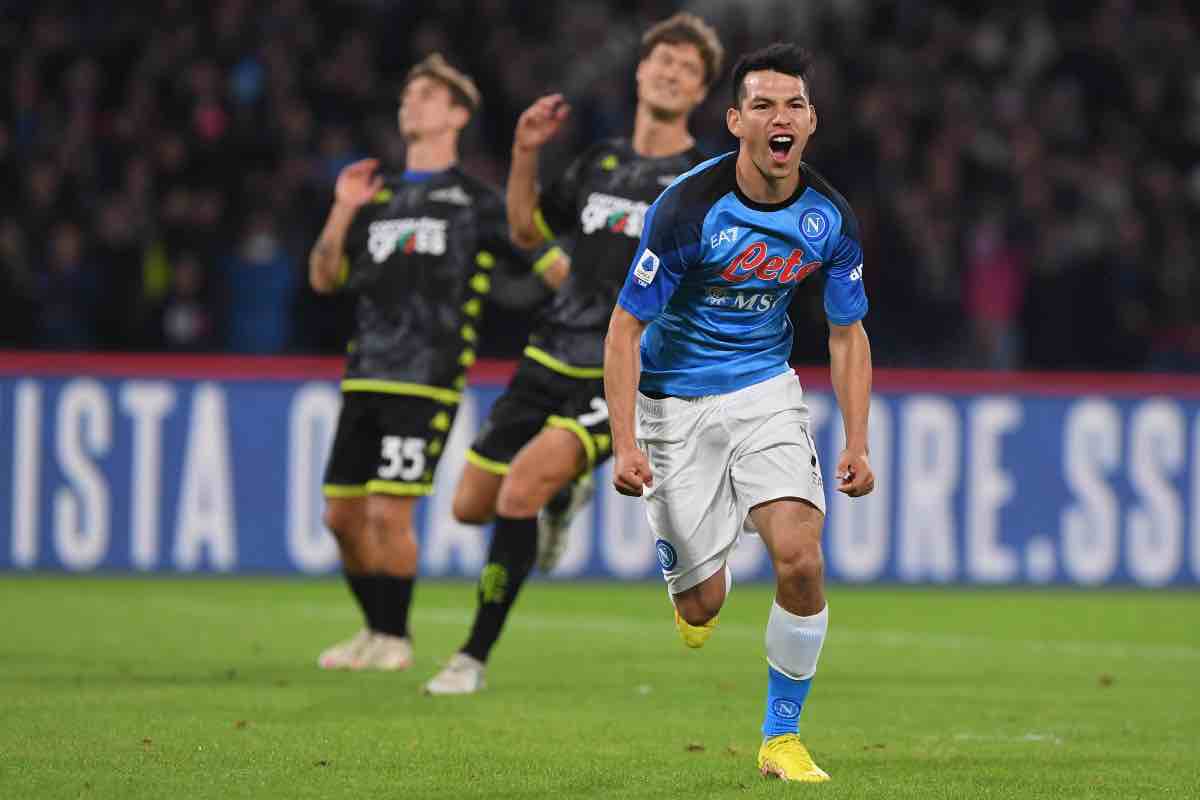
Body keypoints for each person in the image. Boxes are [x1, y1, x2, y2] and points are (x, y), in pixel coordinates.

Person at [423, 13, 724, 695]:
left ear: (700, 91)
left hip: (620, 369)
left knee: (520, 487)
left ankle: (470, 657)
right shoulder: (600, 162)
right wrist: (525, 152)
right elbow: (527, 230)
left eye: (687, 68)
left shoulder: (703, 182)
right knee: (471, 505)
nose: (672, 73)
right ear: (640, 71)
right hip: (549, 351)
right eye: (664, 60)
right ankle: (563, 500)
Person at [603, 43, 875, 782]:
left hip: (764, 392)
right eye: (762, 105)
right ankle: (699, 577)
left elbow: (847, 333)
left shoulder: (829, 217)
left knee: (802, 557)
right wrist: (625, 442)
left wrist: (857, 441)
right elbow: (625, 328)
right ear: (735, 121)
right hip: (672, 405)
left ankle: (781, 737)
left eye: (793, 105)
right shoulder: (688, 209)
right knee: (700, 606)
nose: (779, 118)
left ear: (811, 121)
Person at [307, 54, 554, 671]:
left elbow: (540, 258)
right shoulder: (377, 196)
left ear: (457, 114)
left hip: (426, 379)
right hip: (365, 372)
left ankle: (395, 637)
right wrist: (343, 206)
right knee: (340, 517)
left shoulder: (475, 200)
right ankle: (374, 629)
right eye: (406, 95)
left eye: (425, 95)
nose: (409, 104)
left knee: (389, 512)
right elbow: (324, 277)